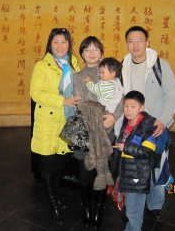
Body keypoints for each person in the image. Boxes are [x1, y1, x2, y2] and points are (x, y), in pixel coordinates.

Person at [121, 25, 175, 222]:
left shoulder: (160, 66)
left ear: (147, 42)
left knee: (156, 166)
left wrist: (163, 121)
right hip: (133, 127)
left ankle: (155, 204)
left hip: (155, 127)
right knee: (133, 164)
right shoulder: (124, 65)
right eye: (131, 41)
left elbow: (172, 97)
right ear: (127, 44)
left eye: (139, 40)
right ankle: (133, 204)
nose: (135, 45)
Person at [30, 27, 81, 225]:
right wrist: (63, 100)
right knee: (48, 165)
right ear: (50, 45)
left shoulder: (74, 62)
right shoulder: (42, 66)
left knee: (61, 163)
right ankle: (52, 202)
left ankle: (55, 195)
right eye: (56, 42)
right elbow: (36, 93)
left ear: (69, 43)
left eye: (64, 42)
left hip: (67, 120)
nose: (60, 46)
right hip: (49, 120)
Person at [73, 36, 123, 229]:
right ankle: (86, 207)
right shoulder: (78, 76)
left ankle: (99, 208)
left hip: (106, 131)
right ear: (82, 54)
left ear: (102, 52)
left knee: (102, 170)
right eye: (87, 49)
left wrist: (113, 116)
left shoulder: (111, 70)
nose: (91, 52)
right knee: (85, 174)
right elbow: (81, 103)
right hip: (85, 132)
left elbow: (121, 98)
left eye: (95, 49)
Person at [114, 90, 172, 231]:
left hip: (139, 174)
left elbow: (147, 152)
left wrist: (126, 148)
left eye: (132, 107)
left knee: (133, 210)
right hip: (129, 171)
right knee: (132, 207)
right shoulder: (126, 122)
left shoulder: (150, 126)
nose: (128, 110)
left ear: (142, 107)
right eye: (126, 106)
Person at [85, 57, 124, 136]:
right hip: (117, 113)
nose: (100, 75)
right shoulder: (117, 81)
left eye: (103, 72)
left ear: (113, 73)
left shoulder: (107, 84)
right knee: (116, 131)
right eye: (100, 72)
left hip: (108, 112)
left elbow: (95, 89)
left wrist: (88, 82)